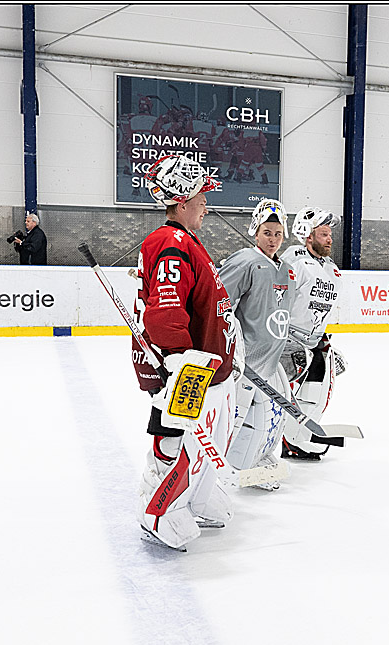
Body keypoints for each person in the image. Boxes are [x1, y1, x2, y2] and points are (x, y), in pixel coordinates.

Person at [133, 153, 238, 551]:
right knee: (179, 436)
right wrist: (177, 355)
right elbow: (165, 306)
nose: (205, 206)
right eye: (201, 198)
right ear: (181, 202)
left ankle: (195, 496)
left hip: (207, 365)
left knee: (208, 435)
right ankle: (160, 510)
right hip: (186, 365)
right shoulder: (170, 242)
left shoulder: (188, 242)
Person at [219, 199, 295, 490]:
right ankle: (223, 468)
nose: (273, 239)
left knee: (270, 419)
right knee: (236, 419)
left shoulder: (286, 268)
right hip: (247, 361)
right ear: (255, 231)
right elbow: (219, 301)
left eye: (277, 234)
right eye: (267, 233)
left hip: (271, 360)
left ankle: (257, 460)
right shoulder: (245, 260)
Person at [279, 207, 347, 460]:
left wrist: (324, 339)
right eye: (324, 234)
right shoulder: (293, 261)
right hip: (288, 340)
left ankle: (298, 438)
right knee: (276, 395)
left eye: (330, 234)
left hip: (314, 341)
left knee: (317, 391)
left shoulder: (330, 268)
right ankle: (272, 436)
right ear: (307, 235)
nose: (330, 239)